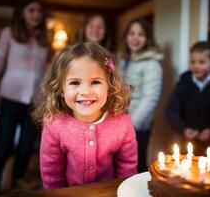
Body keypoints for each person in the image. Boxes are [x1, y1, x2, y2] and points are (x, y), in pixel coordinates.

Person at [33, 42, 137, 189]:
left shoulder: (122, 123)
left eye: (95, 82)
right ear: (61, 89)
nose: (85, 92)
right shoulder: (54, 125)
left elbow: (127, 167)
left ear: (110, 85)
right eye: (75, 82)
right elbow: (52, 173)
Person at [0, 0, 49, 190]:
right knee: (4, 146)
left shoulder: (43, 38)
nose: (36, 15)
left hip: (34, 100)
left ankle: (17, 179)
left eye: (39, 11)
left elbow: (43, 71)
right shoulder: (8, 33)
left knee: (26, 146)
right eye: (31, 10)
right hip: (11, 98)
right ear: (22, 12)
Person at [165, 41, 210, 158]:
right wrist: (183, 129)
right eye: (193, 62)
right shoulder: (183, 84)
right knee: (184, 170)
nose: (196, 66)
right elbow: (171, 111)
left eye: (201, 62)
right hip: (185, 139)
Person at [118, 18, 163, 173]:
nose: (135, 38)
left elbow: (151, 98)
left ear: (148, 38)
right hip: (120, 121)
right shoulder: (124, 60)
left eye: (141, 34)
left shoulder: (152, 64)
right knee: (121, 165)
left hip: (138, 125)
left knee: (137, 164)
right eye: (132, 33)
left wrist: (133, 124)